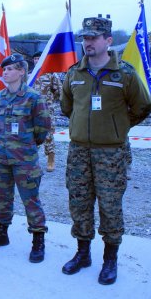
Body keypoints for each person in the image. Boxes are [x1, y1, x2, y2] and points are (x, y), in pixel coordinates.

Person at [60, 17, 151, 285]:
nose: (87, 42)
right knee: (79, 202)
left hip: (111, 154)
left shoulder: (124, 74)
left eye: (93, 38)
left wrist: (117, 127)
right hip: (78, 151)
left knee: (110, 206)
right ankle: (82, 253)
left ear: (108, 41)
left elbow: (142, 107)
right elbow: (68, 107)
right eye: (85, 38)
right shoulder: (74, 73)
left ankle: (110, 259)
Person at [0, 54, 51, 263]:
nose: (6, 72)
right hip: (2, 158)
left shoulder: (33, 97)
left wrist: (26, 146)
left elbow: (43, 128)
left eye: (11, 69)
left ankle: (38, 241)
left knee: (30, 201)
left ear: (22, 71)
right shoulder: (1, 96)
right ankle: (1, 234)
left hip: (25, 160)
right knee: (3, 199)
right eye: (5, 69)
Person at [32, 51, 62, 172]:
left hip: (47, 111)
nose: (36, 60)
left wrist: (50, 102)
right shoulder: (30, 75)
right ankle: (32, 160)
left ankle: (51, 159)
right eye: (35, 58)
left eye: (39, 58)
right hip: (32, 112)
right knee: (32, 135)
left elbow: (59, 92)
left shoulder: (51, 75)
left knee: (48, 135)